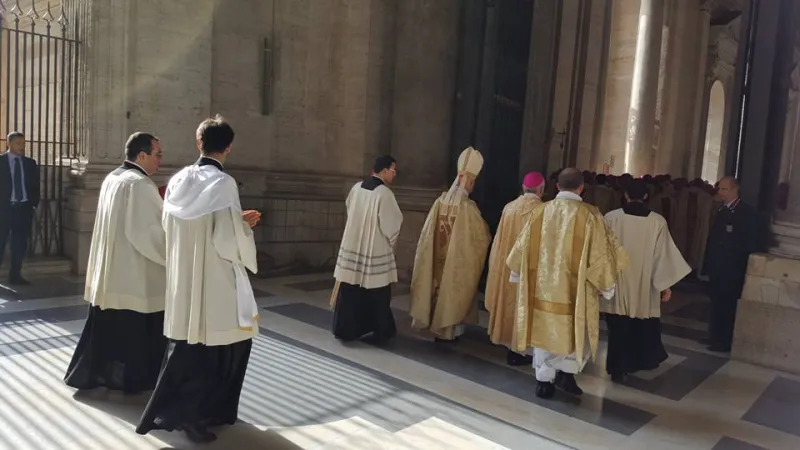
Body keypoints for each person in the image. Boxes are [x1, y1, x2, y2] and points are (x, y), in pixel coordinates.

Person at [136, 116, 262, 443]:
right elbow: (225, 238)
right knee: (216, 348)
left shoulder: (177, 180)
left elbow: (170, 225)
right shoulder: (223, 184)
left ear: (198, 142)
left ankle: (182, 410)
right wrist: (244, 225)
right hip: (214, 281)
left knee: (186, 348)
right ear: (229, 147)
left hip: (182, 278)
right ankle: (199, 414)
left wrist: (234, 221)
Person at [507, 168, 627, 399]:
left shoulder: (540, 212)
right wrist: (606, 286)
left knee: (545, 331)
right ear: (581, 187)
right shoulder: (591, 216)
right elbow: (601, 255)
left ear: (557, 187)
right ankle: (567, 374)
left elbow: (521, 248)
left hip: (543, 289)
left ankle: (544, 380)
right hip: (576, 292)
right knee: (574, 331)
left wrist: (517, 274)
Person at [64, 132, 167, 393]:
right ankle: (135, 382)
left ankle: (103, 377)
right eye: (157, 154)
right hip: (135, 275)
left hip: (112, 273)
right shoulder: (140, 185)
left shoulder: (114, 177)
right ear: (141, 155)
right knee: (136, 335)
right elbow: (150, 234)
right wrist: (176, 250)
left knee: (111, 330)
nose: (160, 161)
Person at [602, 179, 690, 383]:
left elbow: (602, 252)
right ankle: (633, 363)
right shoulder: (657, 222)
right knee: (638, 324)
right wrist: (665, 285)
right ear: (645, 196)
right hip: (645, 283)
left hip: (618, 281)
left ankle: (616, 368)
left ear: (625, 195)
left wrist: (601, 281)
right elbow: (663, 255)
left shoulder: (611, 218)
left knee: (617, 326)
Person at [409, 147, 491, 342]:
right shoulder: (467, 207)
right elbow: (480, 236)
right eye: (473, 182)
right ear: (469, 181)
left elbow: (427, 233)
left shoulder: (440, 201)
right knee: (453, 287)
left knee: (437, 283)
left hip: (437, 259)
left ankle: (436, 326)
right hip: (454, 261)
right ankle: (448, 330)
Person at [330, 155, 403, 343]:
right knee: (376, 291)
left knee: (349, 289)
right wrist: (392, 241)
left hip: (353, 245)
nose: (395, 174)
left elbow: (349, 208)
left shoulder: (356, 187)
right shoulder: (384, 194)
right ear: (385, 170)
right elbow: (392, 224)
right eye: (393, 170)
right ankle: (381, 330)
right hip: (374, 250)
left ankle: (345, 329)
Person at [485, 172, 545, 366]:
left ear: (523, 187)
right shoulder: (543, 211)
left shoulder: (509, 208)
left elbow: (498, 244)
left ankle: (511, 346)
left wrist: (496, 266)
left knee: (510, 305)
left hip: (508, 269)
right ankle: (522, 350)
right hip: (531, 272)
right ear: (541, 189)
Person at [703, 176, 758, 353]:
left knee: (727, 305)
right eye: (719, 189)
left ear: (734, 190)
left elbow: (746, 241)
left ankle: (724, 340)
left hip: (731, 268)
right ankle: (714, 335)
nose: (719, 192)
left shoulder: (745, 212)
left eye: (723, 189)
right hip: (718, 266)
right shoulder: (722, 209)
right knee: (716, 301)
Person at [0, 132, 40, 285]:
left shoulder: (30, 163)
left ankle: (15, 275)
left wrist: (33, 205)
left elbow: (35, 186)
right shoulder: (1, 161)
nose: (22, 146)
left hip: (23, 209)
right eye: (18, 143)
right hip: (4, 209)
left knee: (20, 244)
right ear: (9, 144)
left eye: (23, 143)